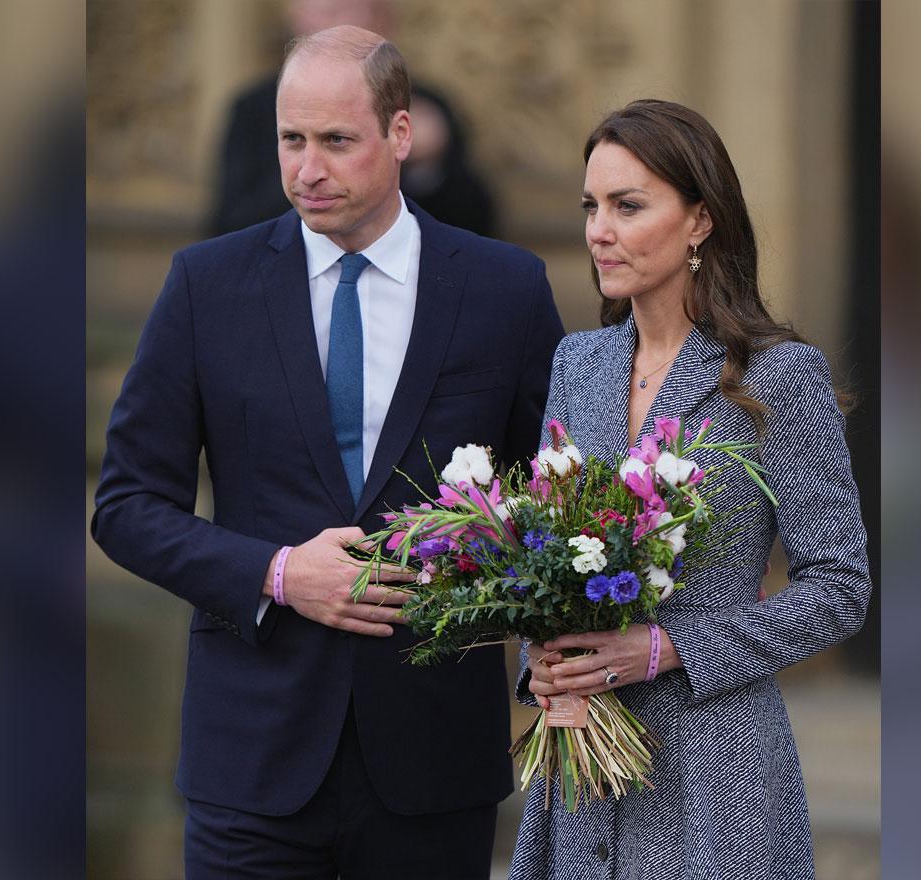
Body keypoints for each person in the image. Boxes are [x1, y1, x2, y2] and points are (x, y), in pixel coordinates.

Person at [92, 26, 563, 880]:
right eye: (291, 139)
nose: (308, 168)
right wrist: (277, 573)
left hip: (433, 762)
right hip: (253, 760)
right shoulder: (206, 285)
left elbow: (551, 506)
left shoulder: (505, 289)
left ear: (401, 135)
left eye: (337, 141)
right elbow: (125, 507)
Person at [508, 100, 872, 880]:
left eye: (627, 206)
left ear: (700, 221)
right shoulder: (579, 363)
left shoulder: (780, 376)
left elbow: (841, 588)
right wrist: (542, 655)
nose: (598, 230)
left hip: (717, 769)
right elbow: (541, 547)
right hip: (584, 770)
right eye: (590, 207)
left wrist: (669, 646)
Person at [211, 0, 497, 237]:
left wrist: (429, 166)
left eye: (344, 10)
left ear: (383, 21)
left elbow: (475, 227)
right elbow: (230, 223)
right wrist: (309, 185)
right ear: (296, 17)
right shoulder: (253, 108)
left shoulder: (424, 105)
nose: (331, 28)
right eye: (293, 137)